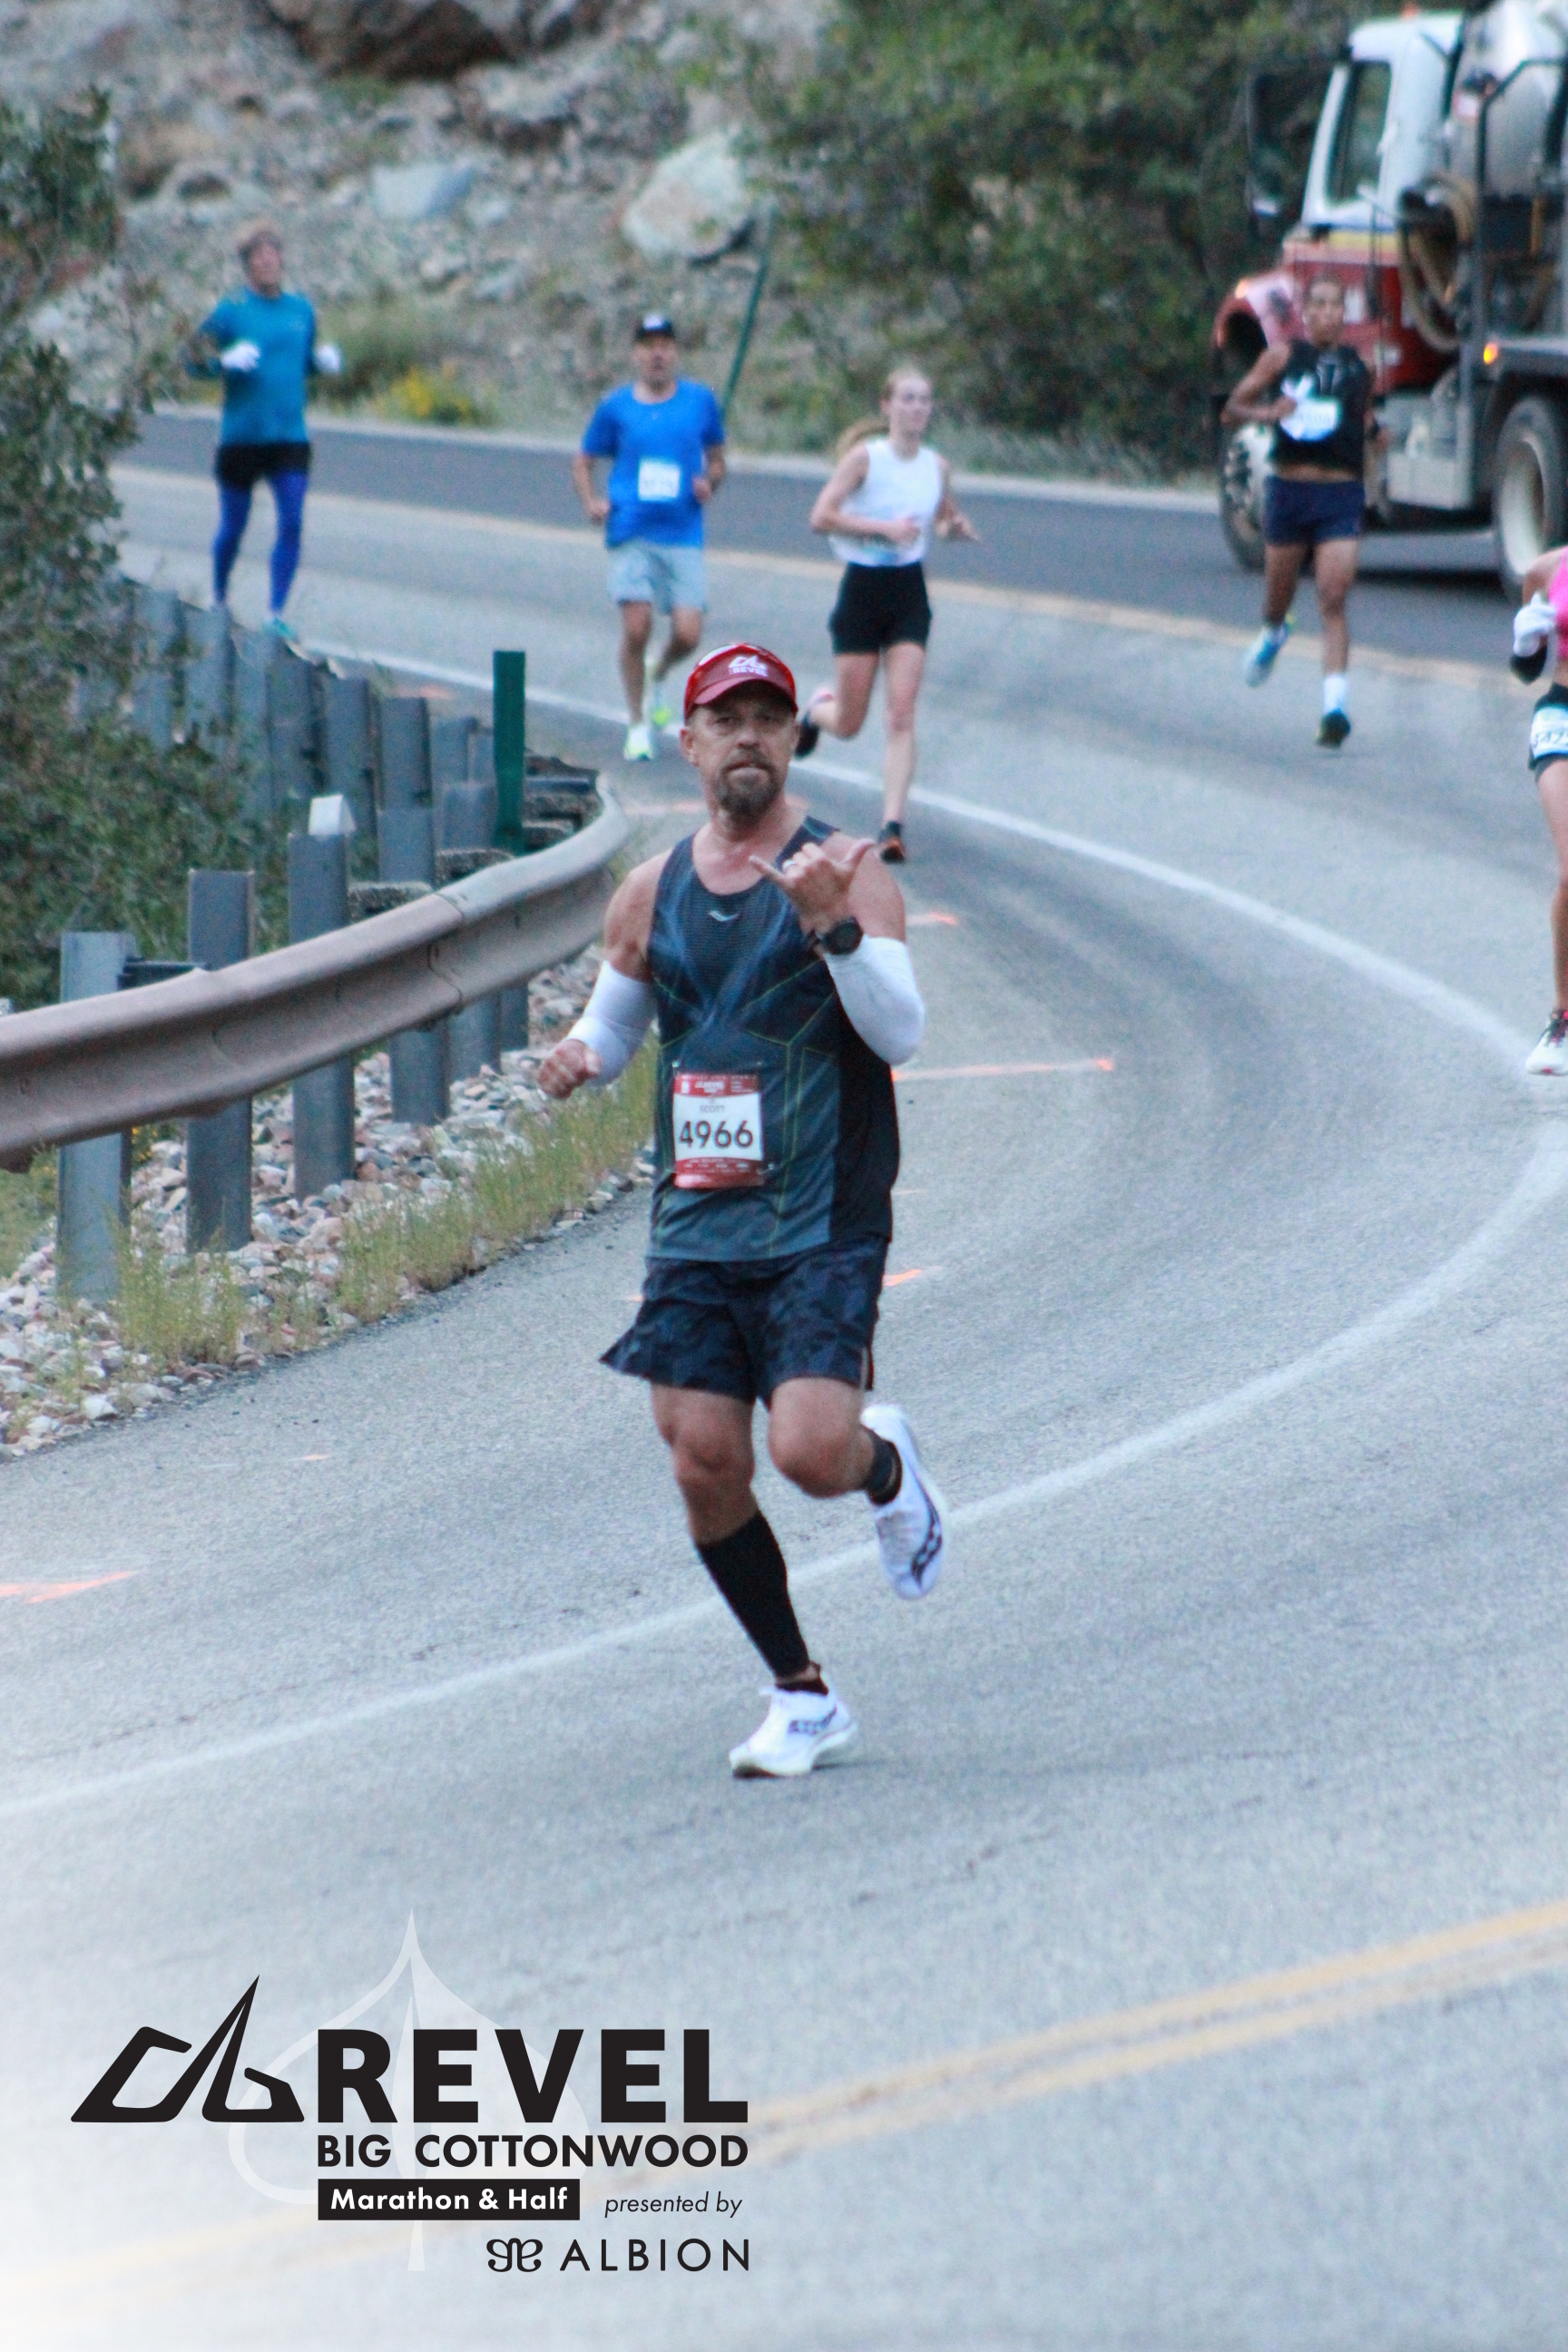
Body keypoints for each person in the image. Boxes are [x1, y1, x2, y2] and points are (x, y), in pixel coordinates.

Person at [537, 640, 946, 1779]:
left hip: (822, 1211)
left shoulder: (847, 868)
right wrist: (580, 1056)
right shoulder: (650, 891)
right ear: (691, 744)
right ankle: (801, 1695)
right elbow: (617, 1023)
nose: (749, 738)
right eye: (727, 720)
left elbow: (901, 1034)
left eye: (769, 718)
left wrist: (835, 929)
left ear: (794, 739)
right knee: (702, 1458)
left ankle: (884, 1467)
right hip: (699, 1221)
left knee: (809, 1452)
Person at [792, 365, 977, 863]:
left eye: (924, 400)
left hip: (908, 592)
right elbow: (820, 517)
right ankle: (816, 711)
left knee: (900, 713)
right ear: (887, 406)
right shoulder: (865, 460)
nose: (916, 408)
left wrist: (954, 528)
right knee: (849, 723)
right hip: (862, 591)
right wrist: (881, 530)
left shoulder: (936, 467)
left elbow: (940, 518)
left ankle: (891, 826)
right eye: (907, 399)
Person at [1221, 274, 1385, 748]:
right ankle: (1275, 633)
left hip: (1341, 494)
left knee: (1333, 597)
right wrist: (1267, 413)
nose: (1329, 314)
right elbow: (1233, 408)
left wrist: (1378, 441)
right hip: (1290, 492)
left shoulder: (1360, 367)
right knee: (1278, 599)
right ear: (1306, 313)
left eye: (1337, 306)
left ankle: (1335, 710)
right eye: (1320, 305)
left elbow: (1363, 420)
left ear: (1344, 314)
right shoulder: (1282, 357)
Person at [572, 314, 727, 765]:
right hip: (631, 529)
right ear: (635, 354)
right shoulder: (616, 406)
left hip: (682, 530)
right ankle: (637, 723)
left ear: (674, 352)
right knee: (636, 628)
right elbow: (583, 460)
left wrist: (710, 482)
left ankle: (658, 670)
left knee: (688, 634)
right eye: (648, 346)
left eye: (665, 345)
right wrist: (592, 502)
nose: (657, 354)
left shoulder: (699, 401)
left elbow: (717, 460)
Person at [190, 223, 340, 634]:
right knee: (233, 527)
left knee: (292, 521)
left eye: (273, 255)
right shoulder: (231, 311)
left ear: (282, 260)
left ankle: (276, 614)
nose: (268, 263)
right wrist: (222, 362)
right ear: (247, 265)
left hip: (289, 436)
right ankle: (219, 598)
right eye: (259, 257)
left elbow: (300, 361)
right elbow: (189, 359)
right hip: (241, 438)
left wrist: (321, 363)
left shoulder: (301, 310)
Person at [1508, 556, 1568, 1073]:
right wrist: (1526, 644)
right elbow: (1526, 670)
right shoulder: (1549, 570)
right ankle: (1563, 1018)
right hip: (1560, 717)